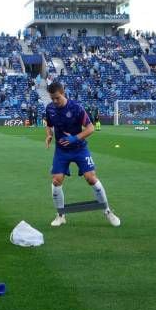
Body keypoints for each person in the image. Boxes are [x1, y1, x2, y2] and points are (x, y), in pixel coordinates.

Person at [45, 80, 120, 228]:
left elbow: (90, 128)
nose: (55, 101)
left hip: (79, 148)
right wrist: (49, 135)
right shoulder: (50, 109)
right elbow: (49, 125)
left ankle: (107, 211)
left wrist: (75, 138)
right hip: (61, 150)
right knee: (56, 180)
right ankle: (60, 215)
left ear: (63, 93)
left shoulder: (76, 108)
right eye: (52, 98)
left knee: (91, 178)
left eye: (57, 98)